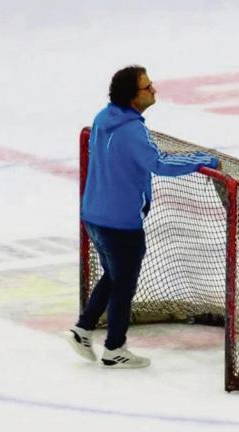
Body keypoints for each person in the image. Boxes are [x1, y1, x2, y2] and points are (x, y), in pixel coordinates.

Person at [68, 65, 220, 368]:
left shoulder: (102, 118)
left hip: (94, 216)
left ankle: (83, 328)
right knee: (124, 285)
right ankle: (114, 348)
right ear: (132, 96)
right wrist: (204, 159)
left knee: (113, 275)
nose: (154, 90)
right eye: (147, 87)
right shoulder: (132, 130)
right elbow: (158, 163)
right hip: (121, 224)